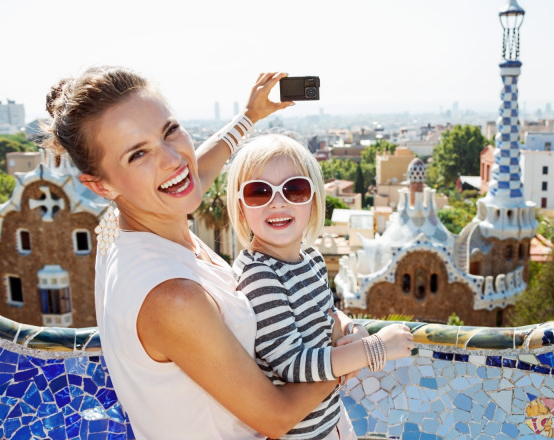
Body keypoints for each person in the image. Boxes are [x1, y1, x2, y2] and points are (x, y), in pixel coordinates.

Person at [42, 66, 416, 440]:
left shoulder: (122, 221)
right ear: (100, 185)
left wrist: (249, 116)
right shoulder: (172, 297)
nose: (173, 160)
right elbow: (276, 417)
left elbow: (194, 171)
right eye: (138, 154)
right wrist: (355, 353)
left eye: (170, 130)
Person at [226, 134, 414, 440]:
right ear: (241, 206)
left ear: (313, 199)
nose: (277, 202)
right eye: (259, 192)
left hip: (330, 420)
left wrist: (351, 327)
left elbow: (325, 312)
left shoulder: (311, 258)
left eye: (294, 189)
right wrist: (376, 348)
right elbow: (294, 365)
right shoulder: (258, 275)